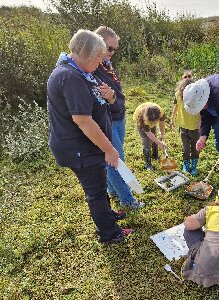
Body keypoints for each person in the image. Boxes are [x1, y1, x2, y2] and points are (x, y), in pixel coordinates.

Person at [47, 29, 132, 244]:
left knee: (100, 185)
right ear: (90, 55)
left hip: (86, 145)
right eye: (99, 57)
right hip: (79, 149)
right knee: (95, 191)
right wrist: (109, 149)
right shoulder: (70, 77)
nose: (100, 62)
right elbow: (83, 121)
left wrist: (110, 98)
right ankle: (109, 233)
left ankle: (107, 215)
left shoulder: (78, 71)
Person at [93, 26, 144, 210]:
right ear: (97, 45)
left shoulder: (106, 63)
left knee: (112, 159)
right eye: (109, 48)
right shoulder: (91, 67)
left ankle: (112, 189)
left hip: (119, 116)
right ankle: (128, 200)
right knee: (116, 161)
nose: (112, 53)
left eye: (115, 49)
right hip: (107, 121)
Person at [170, 71, 200, 176]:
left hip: (195, 127)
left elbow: (202, 110)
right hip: (183, 126)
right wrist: (172, 119)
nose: (187, 79)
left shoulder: (197, 95)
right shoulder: (178, 94)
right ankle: (186, 165)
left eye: (189, 77)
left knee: (195, 148)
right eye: (185, 77)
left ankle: (194, 166)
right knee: (185, 148)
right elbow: (176, 107)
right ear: (182, 80)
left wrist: (201, 123)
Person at [133, 102, 166, 170]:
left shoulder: (161, 113)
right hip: (140, 121)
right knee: (147, 140)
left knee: (154, 137)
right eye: (152, 123)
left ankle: (155, 155)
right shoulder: (142, 119)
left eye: (155, 122)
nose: (154, 124)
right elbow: (149, 134)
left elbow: (162, 124)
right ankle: (147, 163)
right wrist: (159, 143)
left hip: (151, 118)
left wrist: (162, 136)